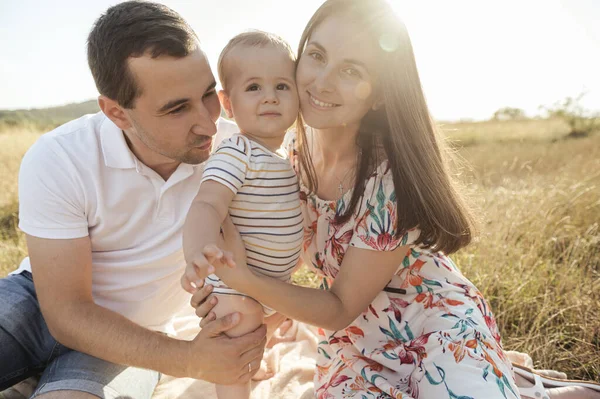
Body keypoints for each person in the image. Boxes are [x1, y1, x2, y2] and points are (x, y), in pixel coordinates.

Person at [189, 0, 522, 397]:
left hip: (432, 321)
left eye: (351, 70)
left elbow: (340, 304)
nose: (322, 82)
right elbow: (272, 247)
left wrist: (244, 280)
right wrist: (246, 307)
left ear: (378, 95)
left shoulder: (390, 180)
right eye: (316, 55)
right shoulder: (287, 156)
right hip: (353, 339)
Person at [0, 1, 268, 398]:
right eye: (176, 108)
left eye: (209, 93)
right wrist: (192, 359)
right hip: (36, 303)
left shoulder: (240, 156)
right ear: (116, 113)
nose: (209, 122)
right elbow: (67, 313)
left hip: (137, 338)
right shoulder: (61, 156)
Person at [180, 30, 302, 399]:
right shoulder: (238, 151)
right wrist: (199, 251)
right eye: (253, 87)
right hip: (234, 286)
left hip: (270, 285)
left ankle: (256, 359)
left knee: (271, 324)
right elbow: (208, 203)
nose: (270, 96)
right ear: (227, 103)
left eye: (282, 85)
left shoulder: (286, 155)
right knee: (235, 344)